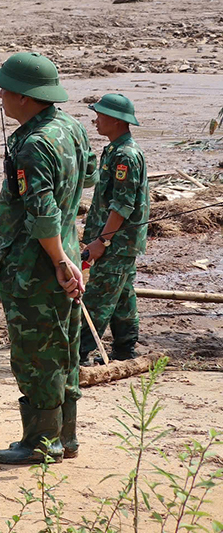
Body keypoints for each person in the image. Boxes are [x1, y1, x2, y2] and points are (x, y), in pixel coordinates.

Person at [0, 52, 93, 465]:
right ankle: (65, 437)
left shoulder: (33, 144)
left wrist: (60, 261)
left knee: (36, 355)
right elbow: (86, 180)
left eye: (6, 90)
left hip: (36, 267)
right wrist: (67, 258)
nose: (0, 96)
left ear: (26, 98)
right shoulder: (71, 128)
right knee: (62, 350)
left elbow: (42, 214)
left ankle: (42, 442)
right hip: (60, 256)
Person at [80, 93, 149, 366]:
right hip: (115, 241)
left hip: (116, 243)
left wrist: (102, 242)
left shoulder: (126, 156)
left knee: (98, 298)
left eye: (100, 115)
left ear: (116, 121)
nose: (95, 120)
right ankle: (124, 349)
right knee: (121, 295)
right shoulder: (113, 150)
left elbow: (122, 206)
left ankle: (79, 353)